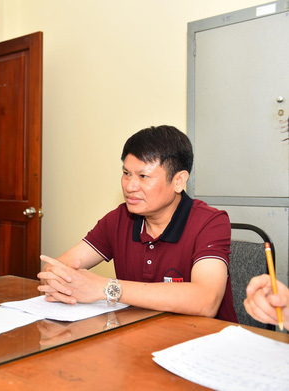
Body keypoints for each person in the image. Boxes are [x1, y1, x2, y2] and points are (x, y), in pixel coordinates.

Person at [38, 125, 237, 322]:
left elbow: (206, 301)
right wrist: (56, 278)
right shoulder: (119, 218)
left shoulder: (210, 222)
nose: (130, 186)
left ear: (178, 181)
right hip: (138, 339)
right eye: (126, 173)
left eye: (143, 176)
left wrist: (107, 288)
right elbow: (56, 268)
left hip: (202, 344)